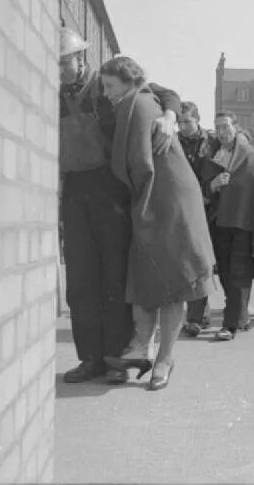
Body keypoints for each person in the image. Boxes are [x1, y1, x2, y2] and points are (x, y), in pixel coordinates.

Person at [58, 28, 179, 384]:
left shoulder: (108, 81)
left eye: (66, 61)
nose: (62, 69)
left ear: (82, 58)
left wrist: (169, 117)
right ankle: (90, 358)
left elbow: (166, 94)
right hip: (75, 191)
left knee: (115, 275)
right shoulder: (52, 92)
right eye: (57, 64)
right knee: (80, 276)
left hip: (112, 191)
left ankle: (117, 359)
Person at [100, 57, 215, 390]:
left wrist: (169, 114)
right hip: (163, 196)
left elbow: (135, 164)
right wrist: (168, 112)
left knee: (174, 280)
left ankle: (164, 358)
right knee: (150, 275)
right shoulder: (140, 98)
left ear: (128, 81)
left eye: (110, 86)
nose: (106, 93)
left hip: (167, 200)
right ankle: (143, 347)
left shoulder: (135, 103)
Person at [200, 112, 254, 341]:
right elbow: (204, 188)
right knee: (225, 272)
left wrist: (230, 187)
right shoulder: (214, 154)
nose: (221, 132)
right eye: (217, 128)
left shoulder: (251, 156)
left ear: (236, 127)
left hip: (243, 223)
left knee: (239, 272)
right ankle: (240, 317)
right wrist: (213, 184)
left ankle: (229, 326)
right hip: (220, 223)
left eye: (225, 127)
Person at [176, 101, 216, 336]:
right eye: (180, 122)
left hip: (209, 207)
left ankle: (200, 316)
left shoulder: (211, 142)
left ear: (198, 120)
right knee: (190, 261)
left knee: (203, 260)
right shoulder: (175, 141)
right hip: (184, 207)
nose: (183, 126)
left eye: (187, 122)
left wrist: (208, 193)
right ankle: (197, 316)